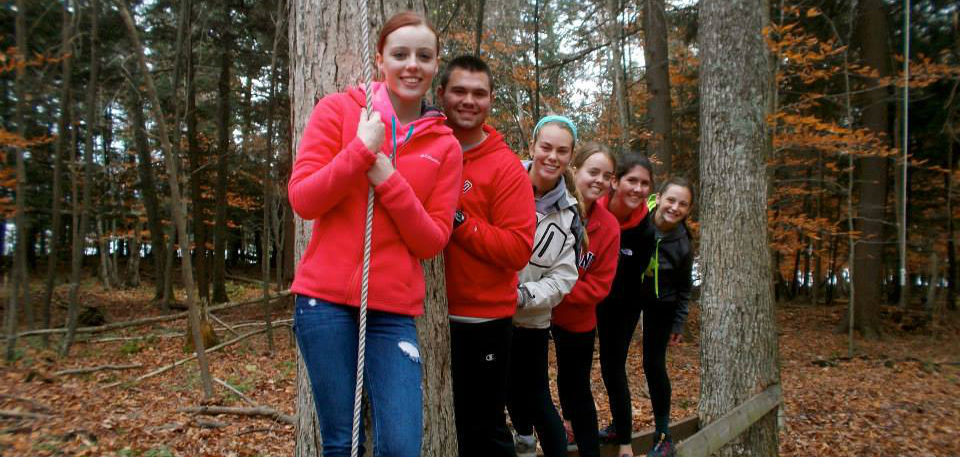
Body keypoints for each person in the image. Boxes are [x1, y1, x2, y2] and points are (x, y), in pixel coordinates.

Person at [287, 11, 462, 457]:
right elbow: (304, 199)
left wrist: (387, 179)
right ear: (380, 59)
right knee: (342, 442)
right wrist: (360, 151)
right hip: (324, 302)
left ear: (435, 64)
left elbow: (431, 240)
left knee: (402, 446)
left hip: (392, 311)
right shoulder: (338, 111)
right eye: (400, 54)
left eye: (424, 56)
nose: (412, 65)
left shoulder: (444, 145)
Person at [437, 55, 537, 457]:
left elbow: (517, 249)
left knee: (483, 430)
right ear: (441, 93)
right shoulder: (425, 146)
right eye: (459, 91)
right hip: (424, 316)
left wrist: (458, 221)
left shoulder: (506, 168)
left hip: (482, 323)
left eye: (478, 93)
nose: (468, 100)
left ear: (491, 99)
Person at [509, 115, 584, 457]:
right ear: (533, 147)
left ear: (570, 156)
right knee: (503, 391)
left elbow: (564, 277)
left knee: (538, 399)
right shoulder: (506, 180)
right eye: (546, 147)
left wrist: (523, 296)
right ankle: (523, 443)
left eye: (562, 151)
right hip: (488, 313)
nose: (552, 157)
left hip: (530, 322)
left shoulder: (569, 214)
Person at [550, 142, 621, 457]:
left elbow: (599, 286)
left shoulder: (608, 226)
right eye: (593, 172)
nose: (599, 180)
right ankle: (548, 433)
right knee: (532, 387)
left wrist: (554, 290)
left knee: (576, 389)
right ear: (575, 170)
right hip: (531, 313)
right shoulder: (551, 205)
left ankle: (588, 449)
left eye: (607, 176)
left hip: (576, 319)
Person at [595, 153, 655, 457]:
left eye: (645, 183)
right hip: (585, 292)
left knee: (612, 367)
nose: (638, 189)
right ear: (615, 181)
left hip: (623, 302)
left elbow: (631, 278)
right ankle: (570, 424)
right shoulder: (593, 207)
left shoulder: (646, 228)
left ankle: (624, 440)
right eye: (632, 180)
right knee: (574, 361)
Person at [637, 177, 694, 457]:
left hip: (663, 304)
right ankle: (618, 425)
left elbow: (685, 288)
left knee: (654, 365)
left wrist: (678, 323)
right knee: (614, 361)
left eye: (682, 204)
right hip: (630, 295)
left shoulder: (683, 243)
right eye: (671, 200)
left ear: (688, 210)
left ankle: (663, 434)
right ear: (658, 198)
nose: (675, 207)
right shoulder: (638, 218)